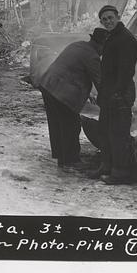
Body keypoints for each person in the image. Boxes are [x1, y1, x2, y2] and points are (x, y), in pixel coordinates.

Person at [38, 28, 108, 170]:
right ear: (101, 45)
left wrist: (88, 93)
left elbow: (71, 69)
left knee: (57, 123)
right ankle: (71, 160)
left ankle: (61, 157)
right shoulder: (92, 56)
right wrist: (108, 100)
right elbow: (100, 82)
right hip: (61, 90)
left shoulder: (78, 45)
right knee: (71, 123)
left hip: (48, 84)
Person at [90, 4, 137, 184]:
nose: (108, 21)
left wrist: (117, 93)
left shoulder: (126, 39)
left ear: (118, 17)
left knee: (118, 134)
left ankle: (120, 173)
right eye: (104, 20)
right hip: (109, 93)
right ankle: (107, 166)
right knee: (105, 132)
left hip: (120, 94)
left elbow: (126, 71)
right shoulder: (112, 37)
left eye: (110, 18)